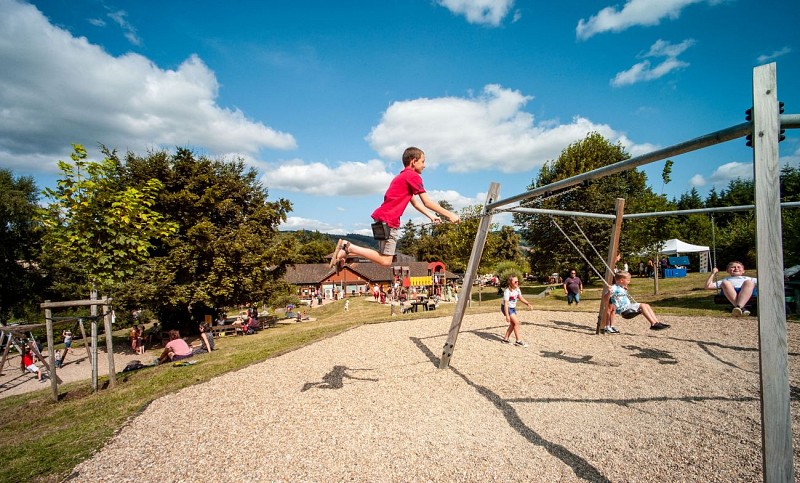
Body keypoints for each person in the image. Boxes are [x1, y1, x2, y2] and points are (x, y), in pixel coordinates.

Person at [330, 147, 459, 269]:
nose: (424, 165)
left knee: (381, 256)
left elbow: (415, 203)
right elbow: (427, 202)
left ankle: (345, 253)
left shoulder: (401, 177)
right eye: (423, 161)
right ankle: (348, 247)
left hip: (381, 218)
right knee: (386, 261)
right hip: (389, 220)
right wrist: (450, 215)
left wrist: (431, 216)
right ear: (414, 162)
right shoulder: (413, 176)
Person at [500, 276, 533, 347]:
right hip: (507, 308)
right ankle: (518, 341)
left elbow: (520, 298)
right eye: (515, 282)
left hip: (512, 308)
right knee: (516, 323)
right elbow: (505, 304)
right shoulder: (507, 291)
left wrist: (528, 303)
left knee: (513, 324)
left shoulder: (517, 289)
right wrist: (507, 316)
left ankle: (505, 339)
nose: (517, 283)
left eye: (518, 281)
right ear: (510, 282)